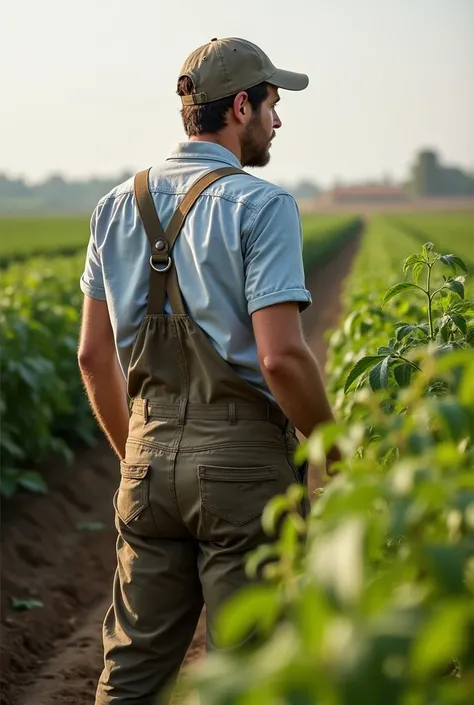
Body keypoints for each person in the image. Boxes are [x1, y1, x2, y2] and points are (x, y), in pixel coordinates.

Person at [78, 36, 338, 705]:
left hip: (146, 459)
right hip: (243, 468)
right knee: (247, 677)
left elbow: (93, 355)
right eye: (274, 105)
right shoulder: (262, 206)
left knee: (131, 676)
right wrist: (332, 448)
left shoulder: (113, 207)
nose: (278, 122)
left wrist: (135, 451)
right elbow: (281, 356)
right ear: (242, 106)